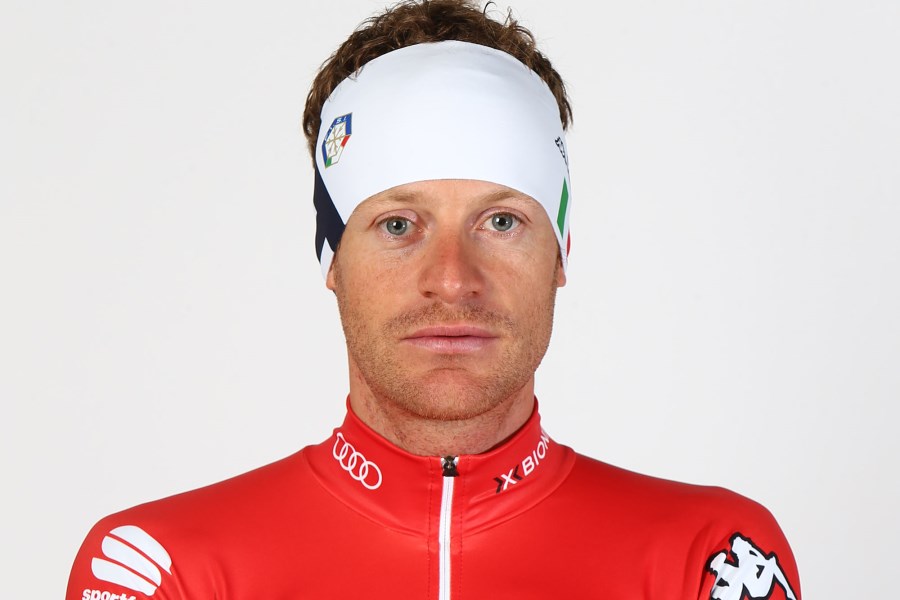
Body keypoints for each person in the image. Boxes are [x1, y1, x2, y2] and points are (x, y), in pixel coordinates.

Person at [67, 1, 801, 599]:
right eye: (398, 225)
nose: (452, 279)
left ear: (559, 253)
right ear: (332, 256)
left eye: (501, 221)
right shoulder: (163, 570)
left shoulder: (713, 560)